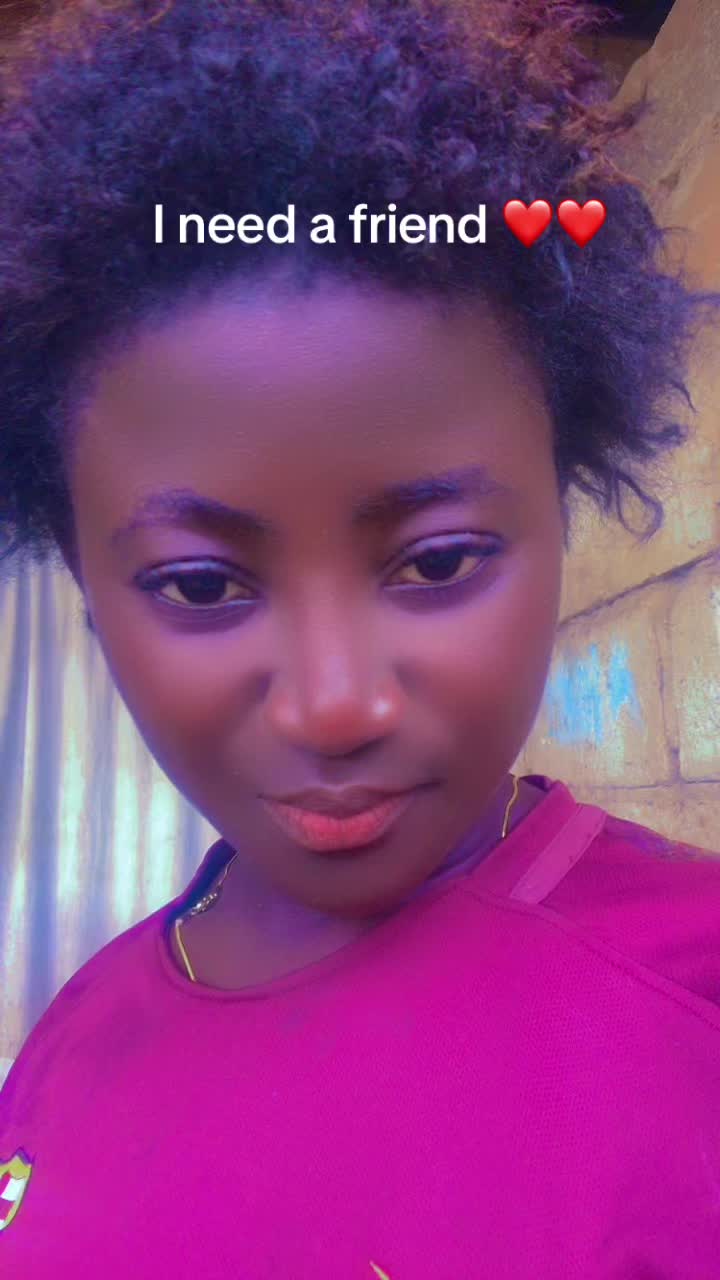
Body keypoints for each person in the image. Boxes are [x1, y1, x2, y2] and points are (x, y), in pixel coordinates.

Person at [1, 0, 719, 1273]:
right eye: (202, 584)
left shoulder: (690, 1001)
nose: (334, 706)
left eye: (436, 561)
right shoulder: (67, 1042)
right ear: (87, 583)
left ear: (563, 507)